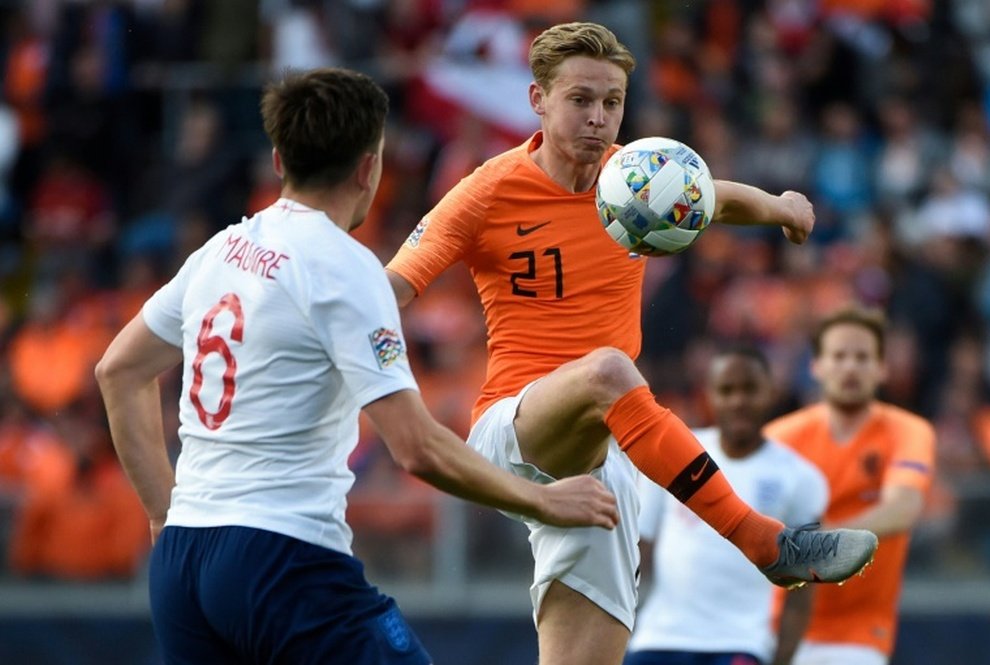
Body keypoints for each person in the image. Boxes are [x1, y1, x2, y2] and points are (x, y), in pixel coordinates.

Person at [385, 21, 878, 665]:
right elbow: (388, 289)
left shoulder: (635, 177)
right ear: (538, 100)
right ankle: (767, 545)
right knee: (610, 371)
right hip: (516, 427)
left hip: (604, 453)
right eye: (580, 100)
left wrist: (782, 206)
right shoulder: (485, 192)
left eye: (611, 102)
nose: (598, 118)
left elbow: (715, 200)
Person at [94, 67, 622, 665]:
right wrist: (544, 501)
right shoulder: (344, 267)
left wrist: (166, 514)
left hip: (183, 569)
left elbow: (120, 370)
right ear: (371, 167)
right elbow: (416, 447)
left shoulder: (219, 250)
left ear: (278, 159)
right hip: (282, 561)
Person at [625, 346, 829, 665]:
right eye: (726, 390)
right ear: (710, 395)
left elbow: (803, 590)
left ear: (771, 392)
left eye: (750, 389)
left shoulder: (801, 478)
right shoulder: (674, 454)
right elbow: (637, 555)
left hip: (741, 641)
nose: (738, 401)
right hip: (659, 637)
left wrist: (782, 658)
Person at [765, 306, 937, 665]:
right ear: (816, 366)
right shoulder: (780, 438)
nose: (850, 367)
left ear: (882, 368)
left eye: (862, 357)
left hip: (858, 630)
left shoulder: (908, 431)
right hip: (773, 623)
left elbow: (902, 509)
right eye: (839, 356)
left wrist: (817, 545)